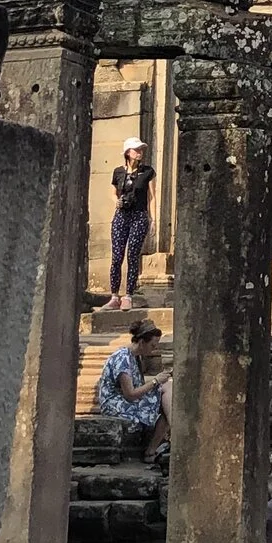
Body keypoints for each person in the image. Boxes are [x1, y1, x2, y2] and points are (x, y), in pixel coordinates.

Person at [93, 320, 170, 464]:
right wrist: (155, 381)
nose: (153, 349)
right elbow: (130, 394)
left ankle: (152, 449)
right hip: (115, 404)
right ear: (142, 342)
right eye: (152, 345)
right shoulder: (123, 358)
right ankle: (154, 448)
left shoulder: (136, 358)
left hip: (128, 400)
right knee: (166, 390)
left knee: (169, 397)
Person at [108, 137, 156, 310]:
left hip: (139, 215)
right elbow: (113, 192)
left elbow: (152, 197)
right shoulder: (118, 172)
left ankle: (129, 294)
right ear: (128, 152)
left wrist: (153, 219)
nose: (140, 153)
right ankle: (114, 295)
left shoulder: (148, 172)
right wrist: (116, 201)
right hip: (121, 215)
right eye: (136, 150)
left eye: (141, 150)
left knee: (133, 255)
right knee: (117, 256)